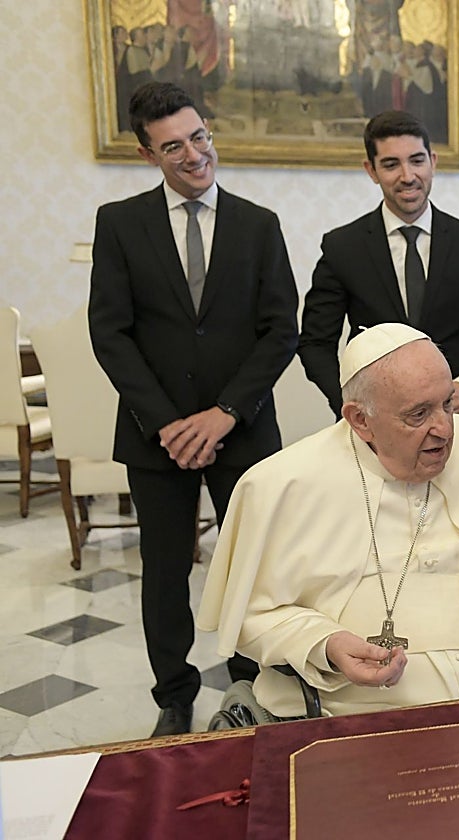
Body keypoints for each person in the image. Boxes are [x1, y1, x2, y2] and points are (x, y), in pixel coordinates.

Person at [198, 324, 459, 718]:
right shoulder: (283, 484)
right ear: (360, 419)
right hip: (364, 708)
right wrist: (325, 644)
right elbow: (254, 616)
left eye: (447, 403)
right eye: (418, 414)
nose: (445, 429)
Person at [89, 82, 298, 736]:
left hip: (242, 429)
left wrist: (225, 413)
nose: (193, 154)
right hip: (157, 437)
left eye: (199, 136)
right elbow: (110, 331)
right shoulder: (119, 224)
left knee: (252, 564)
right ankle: (173, 696)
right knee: (165, 568)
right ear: (149, 153)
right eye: (173, 145)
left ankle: (247, 682)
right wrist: (168, 422)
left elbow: (280, 329)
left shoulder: (259, 225)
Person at [299, 110, 459, 418]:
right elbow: (315, 343)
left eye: (416, 160)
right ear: (371, 170)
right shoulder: (342, 247)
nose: (407, 175)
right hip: (372, 425)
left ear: (433, 162)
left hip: (454, 418)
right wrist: (355, 404)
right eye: (390, 164)